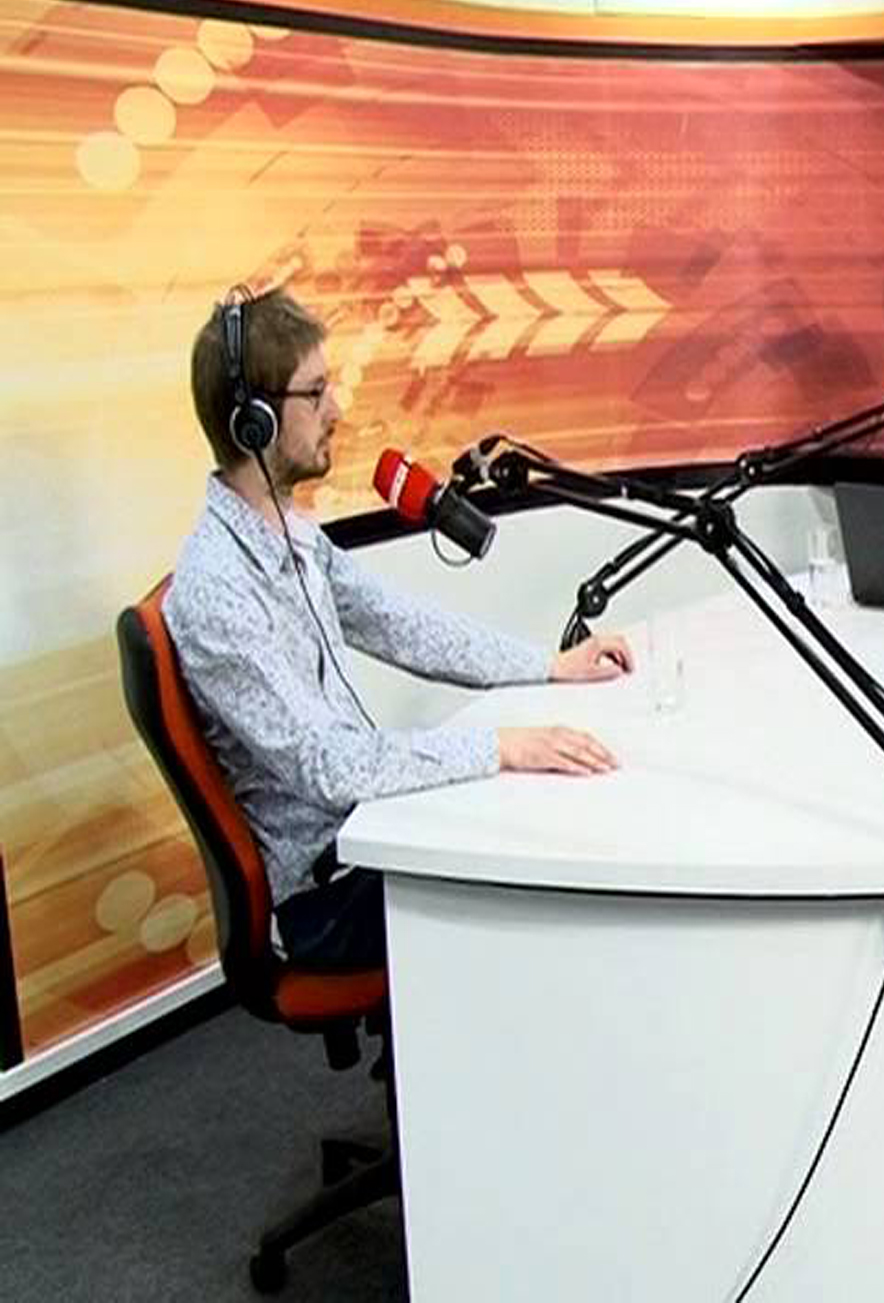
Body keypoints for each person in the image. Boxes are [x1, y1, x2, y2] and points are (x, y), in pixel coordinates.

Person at [165, 288, 633, 971]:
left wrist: (549, 664)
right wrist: (501, 747)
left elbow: (402, 625)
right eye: (315, 393)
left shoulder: (290, 534)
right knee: (539, 875)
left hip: (368, 832)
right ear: (253, 423)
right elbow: (328, 766)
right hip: (327, 890)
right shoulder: (216, 592)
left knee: (543, 817)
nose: (336, 410)